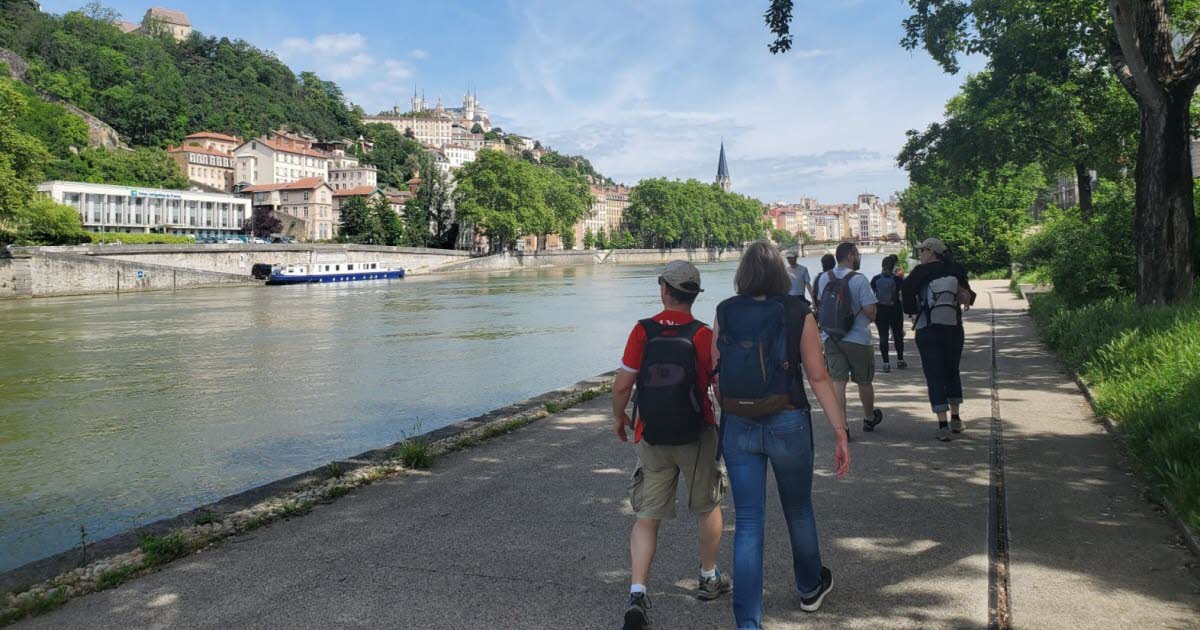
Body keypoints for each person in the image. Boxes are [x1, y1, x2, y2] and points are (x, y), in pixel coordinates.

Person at [713, 241, 850, 628]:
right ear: (781, 273)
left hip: (739, 425)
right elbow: (818, 376)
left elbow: (715, 373)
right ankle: (809, 588)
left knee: (750, 521)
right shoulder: (798, 312)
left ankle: (748, 622)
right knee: (799, 508)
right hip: (788, 419)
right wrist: (839, 431)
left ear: (742, 273)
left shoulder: (724, 311)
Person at [612, 260, 731, 630]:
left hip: (652, 433)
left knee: (647, 515)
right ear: (694, 295)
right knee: (707, 506)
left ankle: (637, 591)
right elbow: (717, 386)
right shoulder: (701, 334)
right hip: (697, 433)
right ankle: (708, 578)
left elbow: (622, 384)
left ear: (663, 288)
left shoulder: (642, 331)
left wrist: (620, 417)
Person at [901, 238, 975, 442]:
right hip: (953, 329)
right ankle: (956, 419)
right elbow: (969, 296)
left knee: (934, 373)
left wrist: (913, 311)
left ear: (931, 252)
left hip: (928, 329)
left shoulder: (920, 272)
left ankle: (942, 426)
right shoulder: (955, 269)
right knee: (952, 370)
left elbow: (906, 292)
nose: (920, 254)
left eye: (922, 250)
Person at [816, 242, 883, 435]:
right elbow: (871, 310)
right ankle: (869, 418)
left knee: (838, 382)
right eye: (857, 254)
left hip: (831, 337)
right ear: (851, 256)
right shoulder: (859, 279)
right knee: (864, 381)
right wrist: (869, 316)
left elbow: (821, 305)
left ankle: (842, 426)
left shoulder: (823, 278)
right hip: (857, 338)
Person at [870, 256, 907, 372]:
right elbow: (902, 295)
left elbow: (873, 293)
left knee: (883, 337)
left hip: (880, 311)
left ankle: (886, 363)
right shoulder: (898, 280)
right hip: (895, 310)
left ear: (882, 266)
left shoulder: (875, 279)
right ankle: (900, 360)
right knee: (898, 335)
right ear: (893, 267)